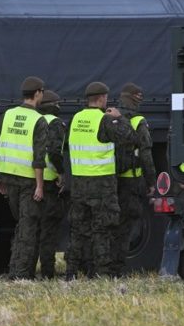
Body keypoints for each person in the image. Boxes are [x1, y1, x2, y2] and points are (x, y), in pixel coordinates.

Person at [65, 81, 137, 279]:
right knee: (102, 229)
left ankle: (70, 273)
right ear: (102, 98)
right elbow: (130, 138)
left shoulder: (76, 119)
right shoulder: (104, 120)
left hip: (79, 183)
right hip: (101, 184)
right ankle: (101, 273)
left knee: (78, 230)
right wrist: (120, 118)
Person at [0, 76, 48, 279]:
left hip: (8, 179)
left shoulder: (7, 115)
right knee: (28, 227)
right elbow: (39, 159)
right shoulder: (38, 120)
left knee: (21, 225)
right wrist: (40, 186)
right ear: (38, 93)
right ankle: (21, 274)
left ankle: (16, 270)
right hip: (28, 181)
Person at [113, 83, 157, 275]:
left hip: (109, 181)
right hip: (131, 182)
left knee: (107, 226)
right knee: (125, 227)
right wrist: (152, 182)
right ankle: (118, 269)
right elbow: (146, 155)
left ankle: (102, 268)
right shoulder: (138, 121)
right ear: (135, 100)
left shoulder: (109, 118)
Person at [36, 90, 69, 279]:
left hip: (32, 179)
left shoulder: (36, 121)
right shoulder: (56, 123)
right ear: (55, 106)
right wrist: (61, 173)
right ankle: (48, 271)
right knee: (49, 228)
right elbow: (55, 152)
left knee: (33, 228)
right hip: (48, 182)